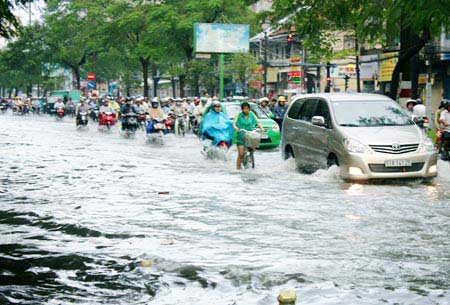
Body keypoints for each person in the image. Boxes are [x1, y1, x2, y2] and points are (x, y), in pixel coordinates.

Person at [233, 101, 263, 170]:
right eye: (244, 109)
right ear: (242, 109)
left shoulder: (252, 114)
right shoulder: (238, 114)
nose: (246, 110)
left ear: (249, 109)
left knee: (253, 147)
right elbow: (234, 123)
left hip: (250, 135)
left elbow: (258, 122)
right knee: (241, 154)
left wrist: (261, 128)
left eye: (247, 108)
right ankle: (238, 168)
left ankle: (251, 159)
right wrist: (235, 127)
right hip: (241, 136)